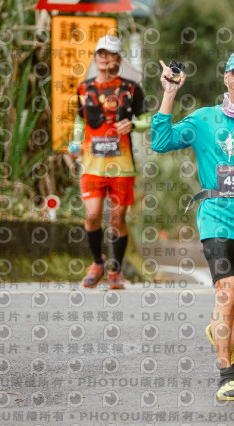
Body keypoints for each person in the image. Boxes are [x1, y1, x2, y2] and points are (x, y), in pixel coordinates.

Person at [151, 51, 234, 401]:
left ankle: (218, 330)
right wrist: (169, 93)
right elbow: (161, 142)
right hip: (216, 216)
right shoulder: (204, 119)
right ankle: (226, 376)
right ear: (226, 79)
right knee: (227, 290)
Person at [68, 35, 151, 290]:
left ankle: (115, 270)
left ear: (118, 58)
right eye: (101, 54)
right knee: (92, 215)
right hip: (92, 164)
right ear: (95, 58)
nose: (105, 58)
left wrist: (133, 125)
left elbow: (147, 119)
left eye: (110, 54)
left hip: (122, 167)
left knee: (117, 219)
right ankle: (97, 263)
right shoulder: (84, 88)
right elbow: (80, 120)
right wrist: (75, 142)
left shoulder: (131, 88)